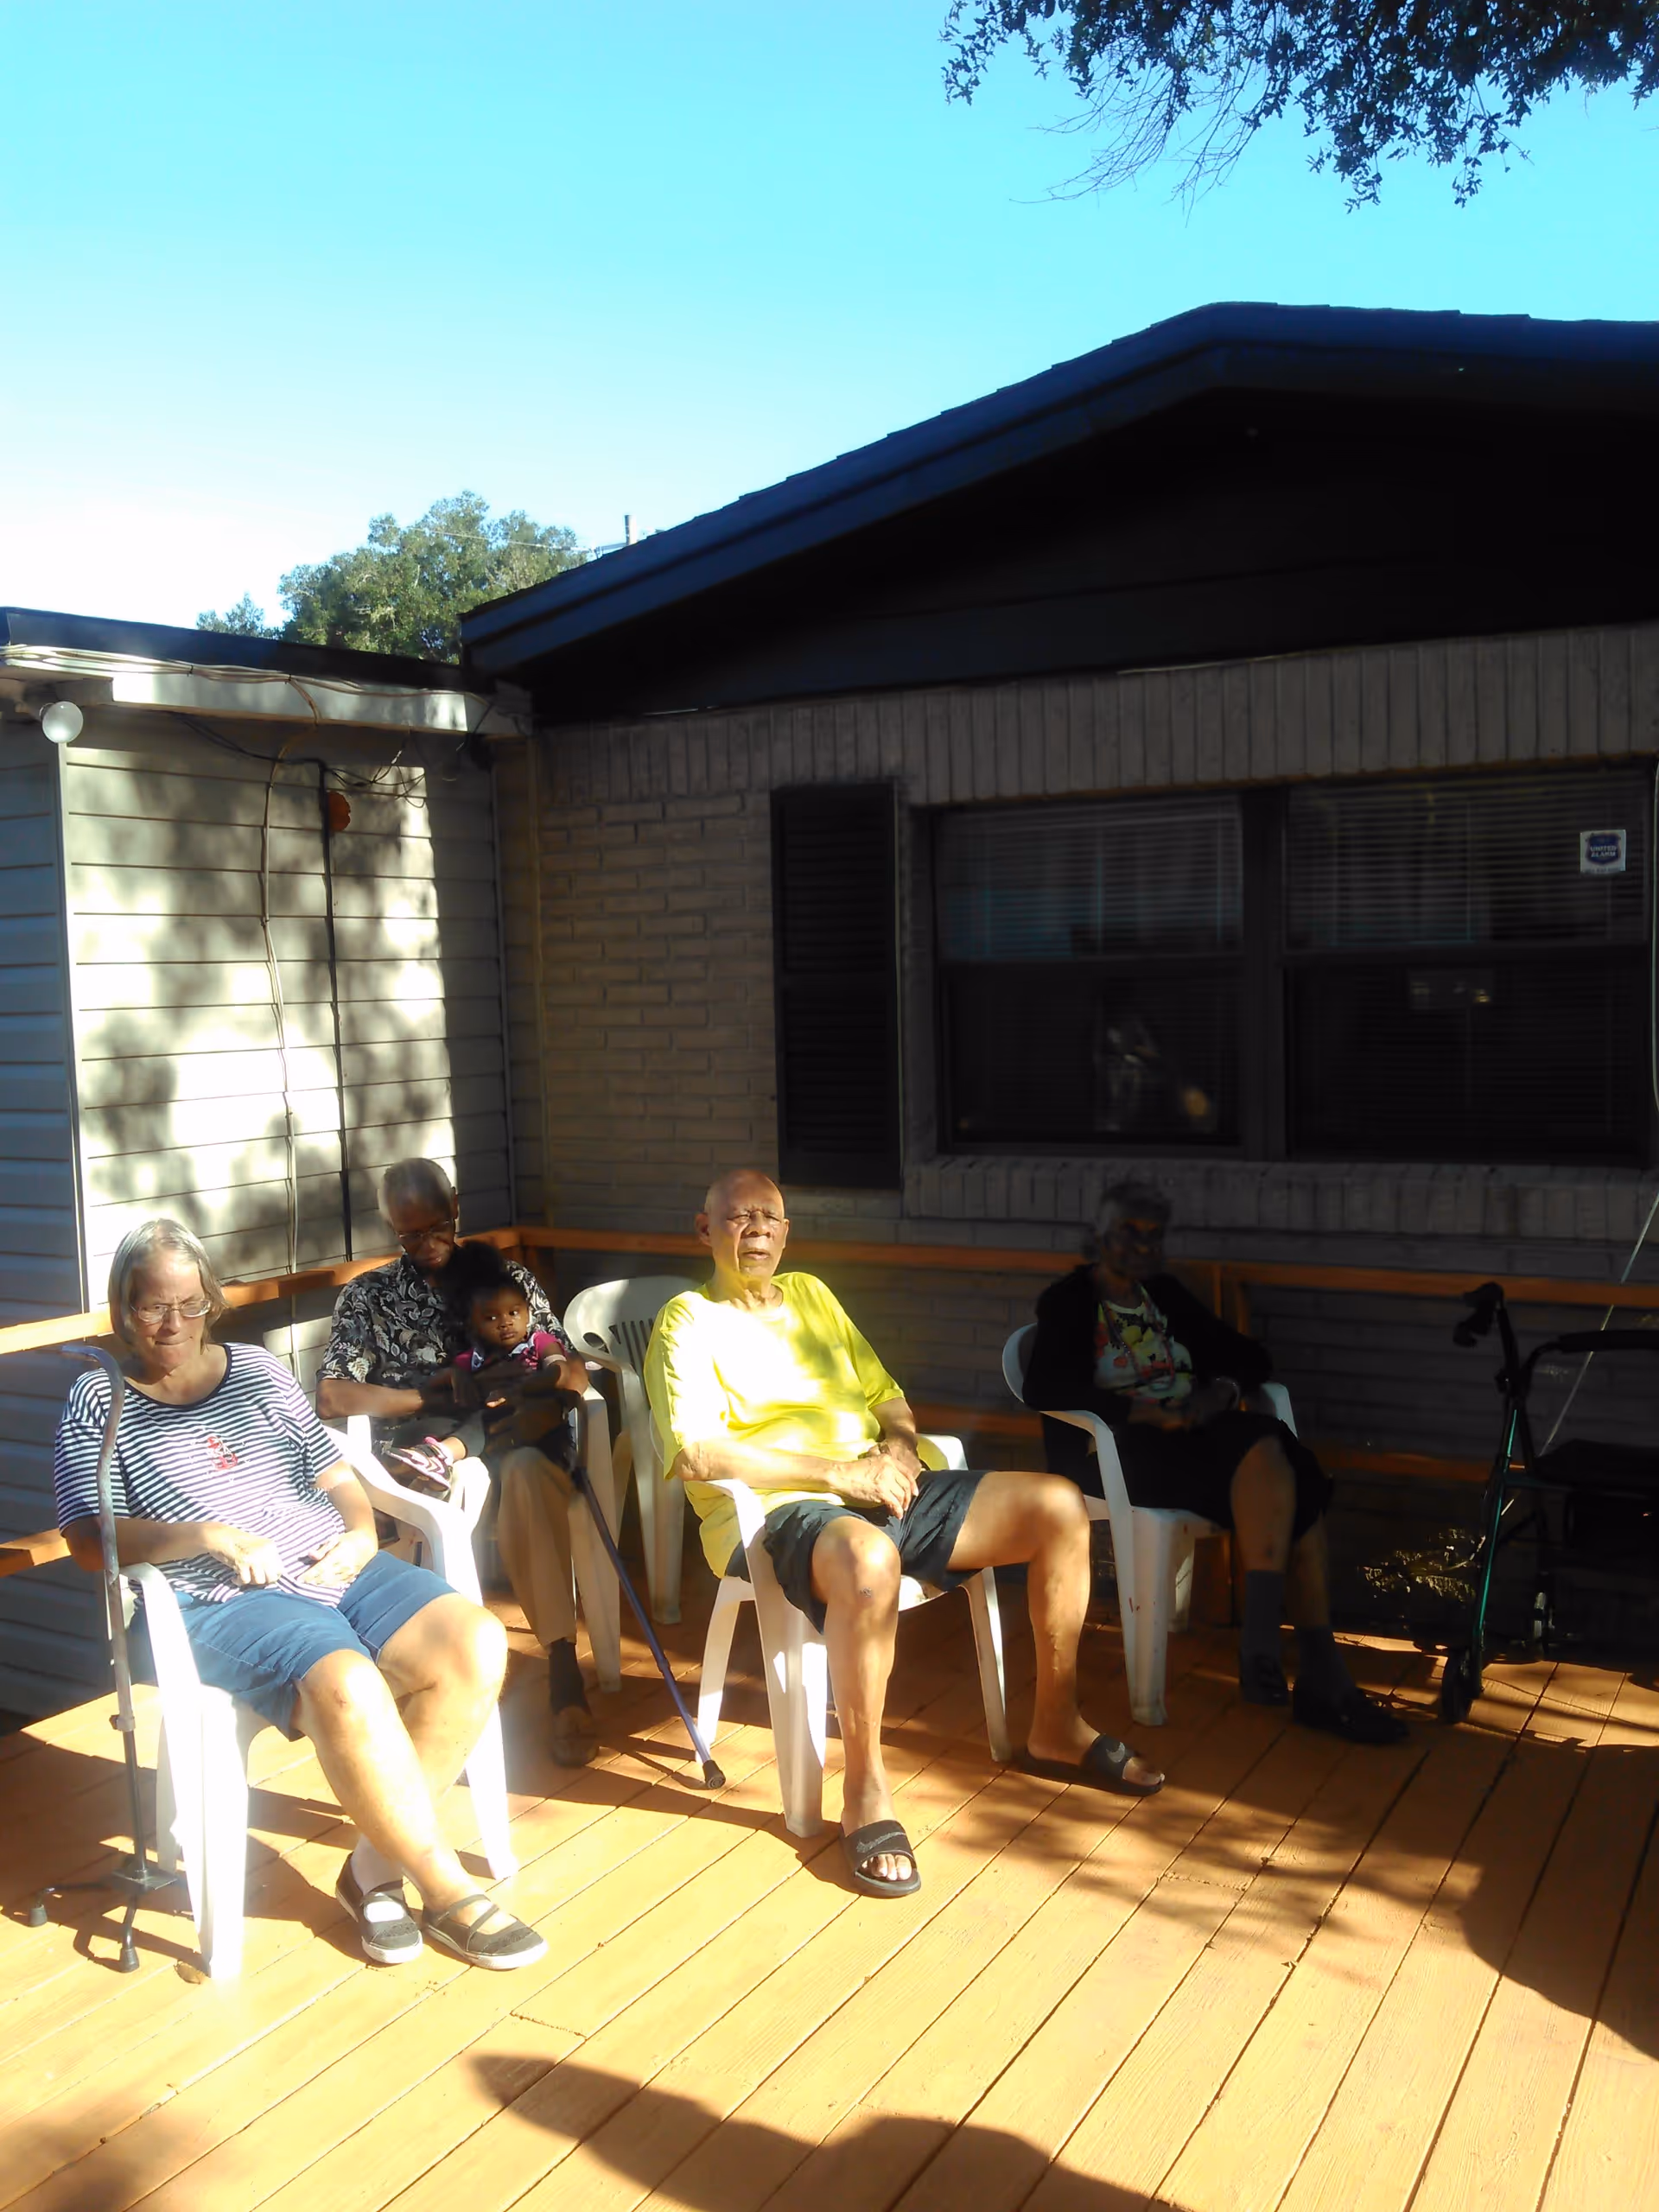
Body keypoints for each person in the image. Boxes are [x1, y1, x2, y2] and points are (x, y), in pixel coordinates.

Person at [645, 1167, 1164, 1901]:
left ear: (787, 1232)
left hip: (876, 1488)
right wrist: (838, 1475)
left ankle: (1056, 1725)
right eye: (737, 1218)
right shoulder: (686, 1321)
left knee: (1057, 1506)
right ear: (705, 1231)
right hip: (779, 1512)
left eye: (770, 1217)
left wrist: (896, 1449)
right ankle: (864, 1790)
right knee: (867, 1556)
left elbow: (887, 1397)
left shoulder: (814, 1296)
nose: (756, 1229)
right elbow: (697, 1453)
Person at [53, 1217, 545, 1969]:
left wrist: (358, 1532)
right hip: (217, 1598)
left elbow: (333, 1473)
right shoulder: (100, 1398)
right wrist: (203, 1535)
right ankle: (445, 1890)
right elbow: (91, 1540)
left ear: (210, 1300)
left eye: (188, 1304)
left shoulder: (254, 1369)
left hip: (329, 1560)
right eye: (153, 1306)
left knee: (475, 1641)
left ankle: (369, 1873)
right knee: (346, 1681)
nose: (172, 1324)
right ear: (123, 1310)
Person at [1021, 1180, 1407, 1745]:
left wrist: (1222, 1390)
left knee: (1272, 1451)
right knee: (1281, 1462)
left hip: (1192, 1443)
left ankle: (1278, 1654)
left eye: (1153, 1237)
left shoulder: (1166, 1295)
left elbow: (1250, 1356)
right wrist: (1147, 1411)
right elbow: (1045, 1386)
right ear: (1097, 1237)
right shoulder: (1068, 1302)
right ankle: (1309, 1670)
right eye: (1128, 1233)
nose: (1141, 1247)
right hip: (1115, 1455)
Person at [316, 1159, 599, 1766]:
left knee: (524, 1471)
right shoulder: (371, 1297)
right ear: (391, 1227)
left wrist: (557, 1392)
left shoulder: (507, 1277)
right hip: (425, 1453)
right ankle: (446, 1677)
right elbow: (334, 1394)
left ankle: (561, 1668)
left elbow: (567, 1360)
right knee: (459, 1471)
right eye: (409, 1234)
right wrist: (433, 1396)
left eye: (437, 1227)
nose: (427, 1245)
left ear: (457, 1210)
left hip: (518, 1441)